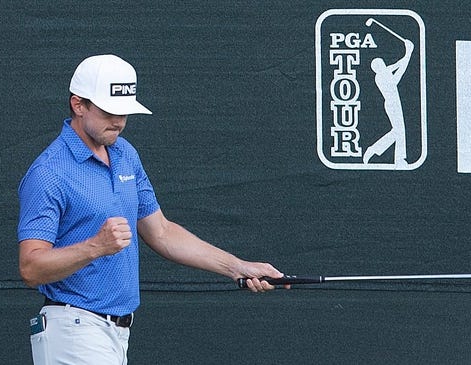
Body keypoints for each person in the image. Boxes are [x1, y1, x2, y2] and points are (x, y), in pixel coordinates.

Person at [17, 54, 285, 365]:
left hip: (116, 333)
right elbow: (30, 269)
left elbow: (161, 231)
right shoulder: (49, 172)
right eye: (109, 111)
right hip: (73, 330)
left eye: (125, 112)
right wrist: (95, 247)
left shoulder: (125, 153)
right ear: (78, 105)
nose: (118, 121)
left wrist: (238, 267)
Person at [363, 39, 414, 166]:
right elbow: (399, 74)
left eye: (383, 63)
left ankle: (398, 159)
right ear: (377, 68)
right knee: (398, 131)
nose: (384, 64)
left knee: (399, 131)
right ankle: (375, 150)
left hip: (394, 103)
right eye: (381, 64)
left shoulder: (384, 72)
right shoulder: (381, 77)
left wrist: (408, 52)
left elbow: (398, 64)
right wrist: (409, 52)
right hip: (392, 104)